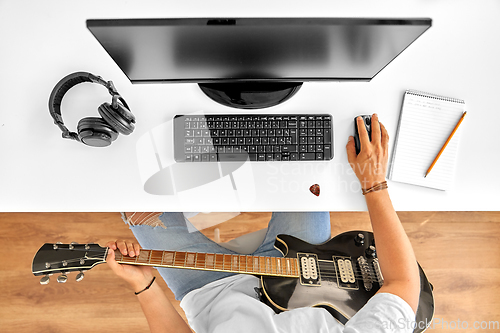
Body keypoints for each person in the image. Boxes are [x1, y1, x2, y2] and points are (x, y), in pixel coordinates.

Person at [106, 114, 420, 333]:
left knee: (134, 193)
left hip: (208, 290)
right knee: (305, 148)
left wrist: (144, 286)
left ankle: (185, 120)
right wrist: (373, 183)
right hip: (302, 266)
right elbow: (403, 285)